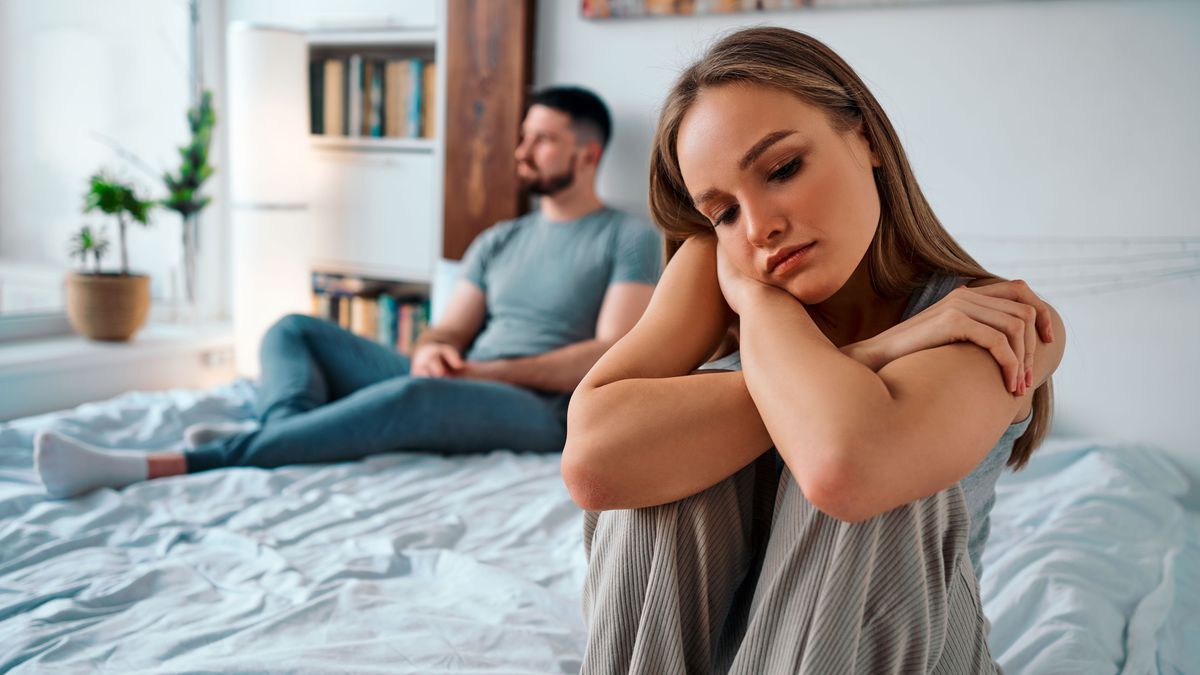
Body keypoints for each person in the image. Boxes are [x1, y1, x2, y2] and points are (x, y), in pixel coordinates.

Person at [561, 28, 1066, 673]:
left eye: (782, 170)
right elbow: (594, 461)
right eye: (722, 213)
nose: (759, 227)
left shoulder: (1000, 318)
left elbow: (847, 467)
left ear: (867, 140)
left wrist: (765, 308)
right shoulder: (729, 267)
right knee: (666, 456)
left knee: (867, 452)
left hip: (906, 653)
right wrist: (869, 349)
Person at [35, 86, 662, 499]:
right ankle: (289, 430)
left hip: (539, 408)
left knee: (413, 396)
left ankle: (170, 463)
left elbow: (607, 355)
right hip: (465, 375)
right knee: (293, 330)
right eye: (523, 137)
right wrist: (435, 349)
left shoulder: (627, 238)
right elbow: (448, 329)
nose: (522, 152)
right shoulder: (500, 239)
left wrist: (486, 373)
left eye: (542, 140)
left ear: (587, 153)